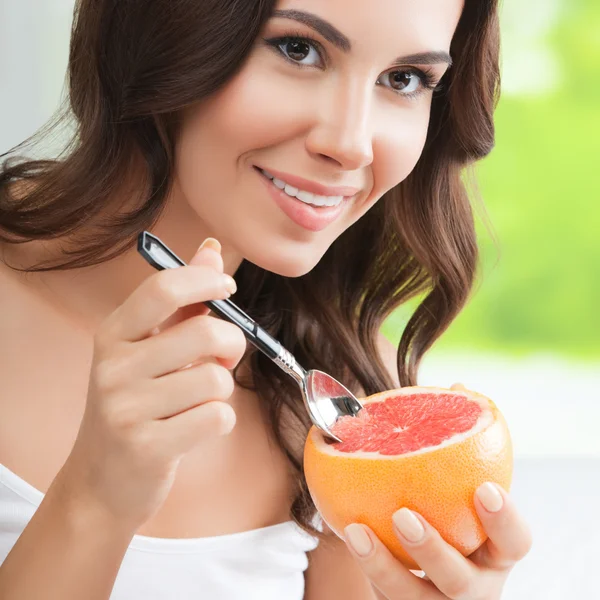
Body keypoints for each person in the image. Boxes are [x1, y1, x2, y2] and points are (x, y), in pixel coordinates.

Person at [0, 0, 533, 598]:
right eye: (298, 49)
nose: (353, 144)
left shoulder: (345, 382)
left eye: (404, 79)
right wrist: (95, 500)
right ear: (162, 30)